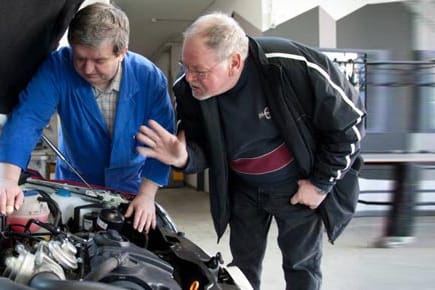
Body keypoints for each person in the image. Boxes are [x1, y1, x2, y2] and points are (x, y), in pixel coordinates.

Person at [135, 12, 366, 290]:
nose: (190, 77)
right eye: (186, 66)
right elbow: (203, 148)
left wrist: (320, 184)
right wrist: (183, 157)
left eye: (199, 71)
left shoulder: (290, 65)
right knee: (241, 269)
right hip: (242, 188)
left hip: (296, 187)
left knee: (301, 265)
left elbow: (349, 125)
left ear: (234, 62)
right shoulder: (190, 91)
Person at [0, 2, 175, 233]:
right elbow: (28, 119)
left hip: (130, 186)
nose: (88, 69)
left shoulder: (149, 78)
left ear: (122, 53)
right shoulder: (58, 67)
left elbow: (162, 142)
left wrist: (146, 194)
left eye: (99, 61)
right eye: (80, 58)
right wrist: (8, 179)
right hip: (74, 185)